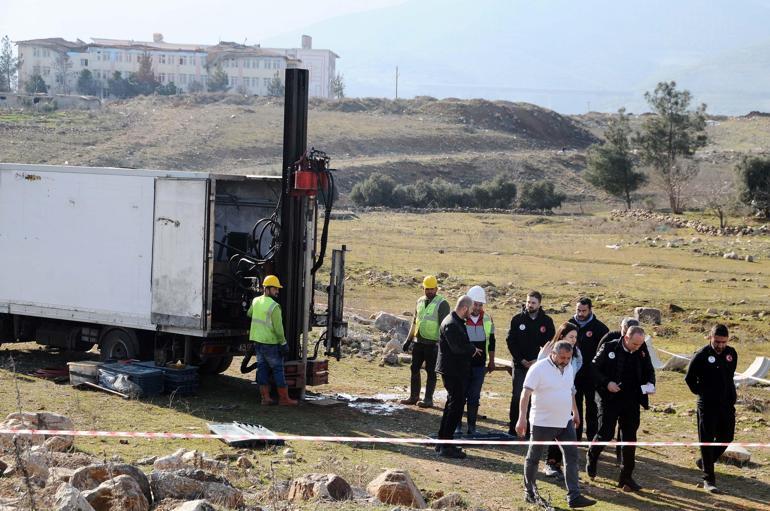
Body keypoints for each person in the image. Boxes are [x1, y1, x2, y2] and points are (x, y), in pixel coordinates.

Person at [516, 341, 596, 509]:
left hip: (564, 421)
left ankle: (574, 495)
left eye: (568, 358)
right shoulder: (538, 368)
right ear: (553, 353)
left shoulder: (569, 368)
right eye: (562, 357)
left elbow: (570, 390)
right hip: (542, 422)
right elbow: (525, 394)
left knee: (572, 457)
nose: (565, 361)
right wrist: (521, 418)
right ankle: (529, 492)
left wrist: (575, 412)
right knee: (533, 457)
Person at [586, 325, 655, 491]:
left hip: (631, 399)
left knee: (629, 437)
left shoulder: (642, 350)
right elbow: (593, 368)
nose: (637, 347)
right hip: (609, 398)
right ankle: (592, 455)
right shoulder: (609, 347)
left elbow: (649, 370)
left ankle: (626, 477)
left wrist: (651, 384)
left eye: (640, 344)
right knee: (606, 432)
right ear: (626, 338)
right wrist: (606, 383)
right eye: (635, 344)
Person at [684, 324, 738, 494]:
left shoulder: (731, 354)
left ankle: (705, 462)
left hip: (727, 404)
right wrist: (703, 392)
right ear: (710, 337)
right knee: (706, 441)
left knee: (727, 437)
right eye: (717, 341)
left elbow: (729, 376)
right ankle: (709, 479)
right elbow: (689, 378)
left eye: (723, 342)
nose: (720, 345)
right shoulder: (701, 355)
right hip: (707, 406)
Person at [435, 295, 482, 459]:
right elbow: (457, 347)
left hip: (455, 370)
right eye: (471, 309)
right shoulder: (452, 324)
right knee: (455, 406)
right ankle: (446, 445)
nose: (472, 312)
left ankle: (443, 441)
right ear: (464, 308)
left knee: (452, 404)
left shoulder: (455, 321)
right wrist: (472, 350)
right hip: (453, 371)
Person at [536, 322, 582, 479]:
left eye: (576, 337)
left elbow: (572, 378)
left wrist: (574, 408)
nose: (574, 340)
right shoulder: (549, 350)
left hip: (568, 395)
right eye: (571, 336)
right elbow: (538, 371)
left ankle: (568, 472)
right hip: (548, 399)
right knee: (550, 432)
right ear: (562, 336)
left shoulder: (576, 354)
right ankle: (550, 463)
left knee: (567, 435)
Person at [506, 291, 555, 437]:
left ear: (539, 304)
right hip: (520, 365)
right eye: (528, 302)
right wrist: (520, 359)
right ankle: (514, 428)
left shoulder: (546, 322)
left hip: (538, 366)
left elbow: (551, 343)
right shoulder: (517, 319)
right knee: (517, 395)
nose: (530, 305)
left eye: (533, 303)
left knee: (536, 397)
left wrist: (537, 360)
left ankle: (531, 430)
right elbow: (510, 341)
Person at [247, 275, 297, 406]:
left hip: (257, 342)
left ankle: (265, 398)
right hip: (270, 344)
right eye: (275, 289)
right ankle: (284, 399)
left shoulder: (256, 301)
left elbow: (249, 314)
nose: (277, 291)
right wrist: (284, 343)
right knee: (278, 369)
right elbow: (279, 329)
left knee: (262, 368)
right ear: (267, 288)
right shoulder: (274, 306)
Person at [401, 275, 450, 408]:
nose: (429, 291)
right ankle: (414, 396)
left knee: (431, 371)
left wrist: (442, 346)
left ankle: (428, 399)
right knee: (414, 368)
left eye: (431, 289)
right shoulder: (420, 301)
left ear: (437, 289)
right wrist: (408, 340)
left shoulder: (442, 304)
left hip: (433, 344)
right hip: (419, 342)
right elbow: (415, 321)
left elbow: (444, 327)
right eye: (426, 289)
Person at [569, 297, 609, 441]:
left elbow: (605, 353)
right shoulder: (569, 325)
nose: (580, 313)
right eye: (578, 310)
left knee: (592, 408)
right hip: (574, 374)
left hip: (592, 376)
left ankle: (592, 439)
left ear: (590, 310)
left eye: (583, 311)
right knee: (574, 407)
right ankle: (575, 437)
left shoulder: (600, 328)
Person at [457, 285, 496, 435]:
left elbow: (492, 341)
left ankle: (471, 428)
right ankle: (457, 426)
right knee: (460, 396)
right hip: (462, 365)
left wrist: (491, 361)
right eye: (476, 304)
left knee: (474, 397)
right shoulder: (461, 319)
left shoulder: (487, 319)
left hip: (479, 365)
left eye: (481, 305)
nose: (478, 308)